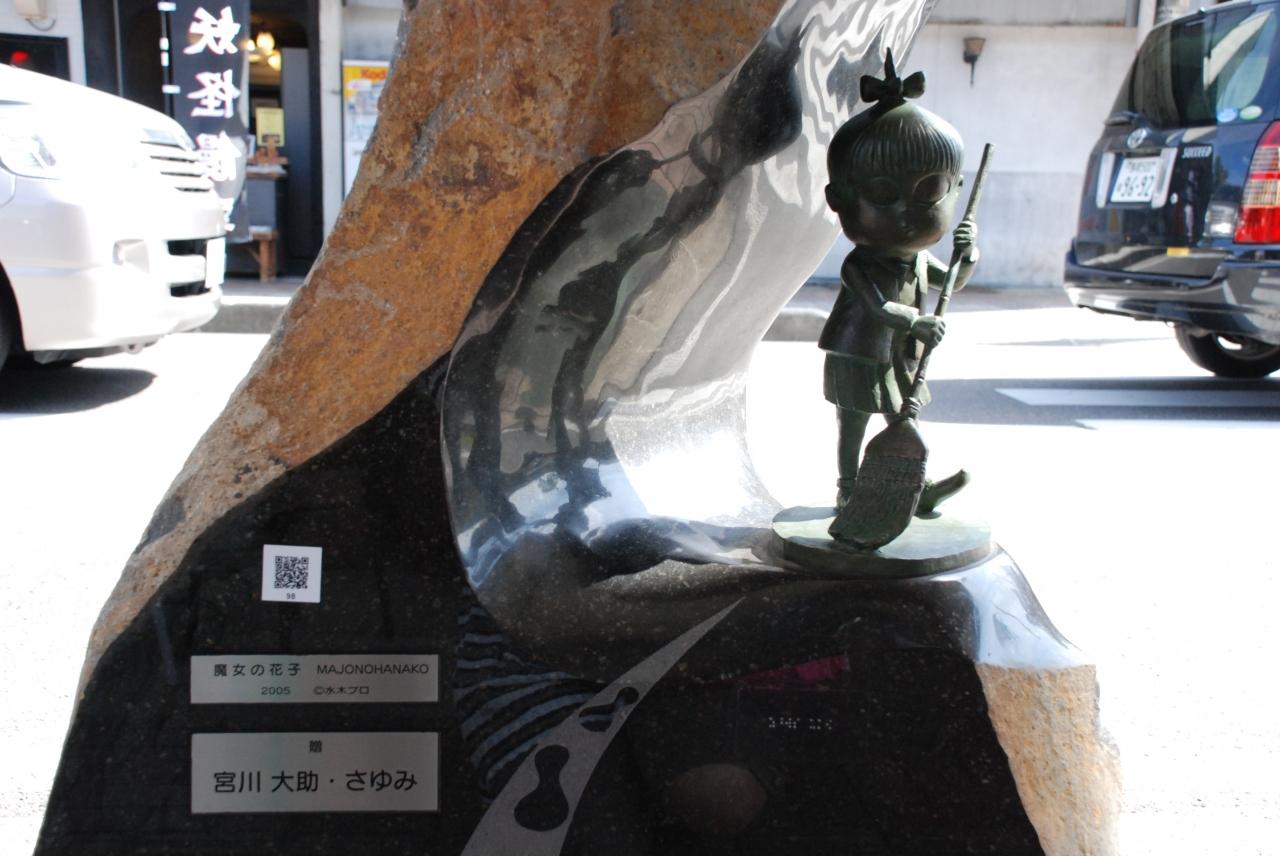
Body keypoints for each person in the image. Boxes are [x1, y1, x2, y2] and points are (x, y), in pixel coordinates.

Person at [819, 53, 978, 513]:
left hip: (898, 356)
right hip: (859, 352)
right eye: (884, 195)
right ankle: (848, 486)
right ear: (839, 199)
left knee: (901, 417)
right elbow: (878, 308)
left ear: (954, 191)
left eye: (929, 192)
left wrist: (968, 254)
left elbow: (952, 282)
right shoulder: (859, 265)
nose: (907, 213)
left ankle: (913, 486)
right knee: (853, 422)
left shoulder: (917, 258)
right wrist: (915, 321)